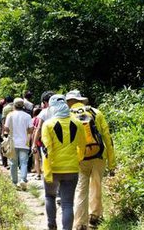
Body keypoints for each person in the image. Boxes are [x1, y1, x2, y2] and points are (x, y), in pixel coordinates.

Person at [66, 90, 116, 230]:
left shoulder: (68, 115)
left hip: (80, 158)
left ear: (69, 102)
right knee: (96, 185)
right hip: (99, 155)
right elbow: (107, 137)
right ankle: (95, 217)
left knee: (81, 189)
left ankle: (80, 223)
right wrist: (112, 164)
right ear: (82, 100)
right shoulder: (95, 112)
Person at [42, 94, 86, 230]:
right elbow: (82, 146)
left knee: (50, 196)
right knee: (67, 204)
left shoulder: (48, 124)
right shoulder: (78, 124)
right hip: (71, 169)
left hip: (53, 168)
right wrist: (77, 159)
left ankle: (51, 223)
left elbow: (47, 148)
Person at [4, 98, 33, 191]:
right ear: (23, 106)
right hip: (24, 142)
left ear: (14, 105)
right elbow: (30, 129)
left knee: (13, 163)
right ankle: (23, 180)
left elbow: (6, 129)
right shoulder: (28, 116)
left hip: (13, 142)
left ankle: (14, 182)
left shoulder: (10, 115)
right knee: (24, 162)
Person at [1, 96, 14, 167]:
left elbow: (3, 120)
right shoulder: (16, 107)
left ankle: (5, 163)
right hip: (15, 129)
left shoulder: (5, 108)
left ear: (6, 101)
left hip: (7, 129)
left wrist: (3, 131)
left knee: (5, 145)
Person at [31, 106, 42, 180]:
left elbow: (31, 131)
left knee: (36, 158)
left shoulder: (32, 120)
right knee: (44, 158)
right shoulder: (43, 119)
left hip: (35, 140)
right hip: (43, 140)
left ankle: (38, 174)